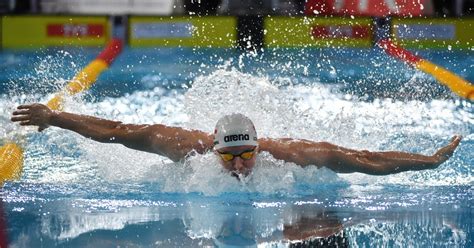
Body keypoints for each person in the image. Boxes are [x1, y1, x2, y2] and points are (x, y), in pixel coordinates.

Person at [11, 103, 461, 177]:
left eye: (249, 155)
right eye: (231, 157)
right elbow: (116, 131)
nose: (242, 166)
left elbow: (364, 159)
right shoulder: (183, 146)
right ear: (214, 147)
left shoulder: (289, 157)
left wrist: (428, 161)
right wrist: (55, 117)